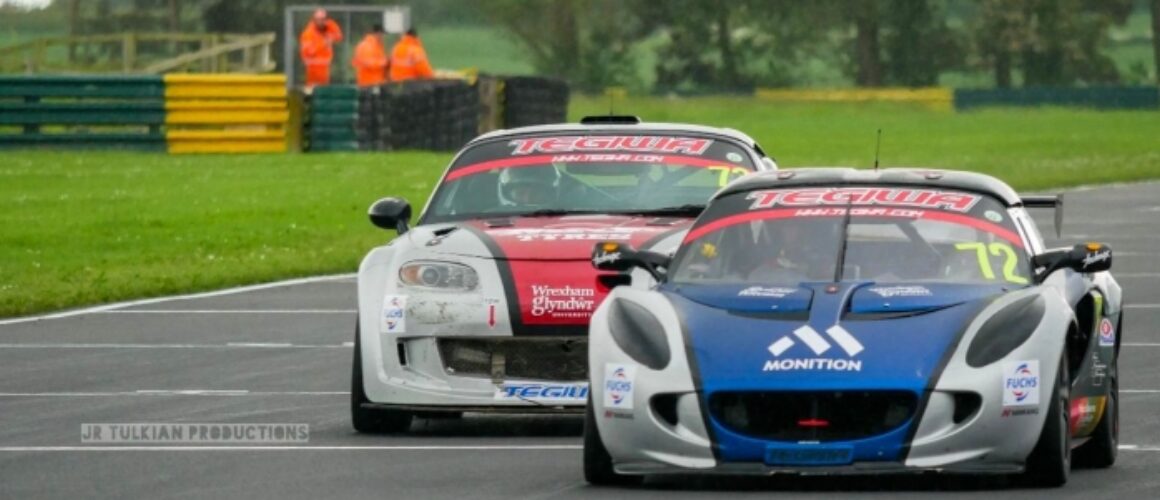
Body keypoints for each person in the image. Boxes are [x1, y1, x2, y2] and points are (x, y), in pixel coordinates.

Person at [299, 9, 343, 90]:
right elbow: (309, 51)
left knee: (324, 93)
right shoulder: (308, 33)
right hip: (313, 69)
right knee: (312, 91)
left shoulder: (327, 30)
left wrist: (330, 24)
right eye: (318, 20)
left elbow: (339, 36)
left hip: (324, 68)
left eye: (323, 19)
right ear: (314, 20)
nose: (321, 22)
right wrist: (324, 43)